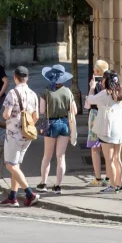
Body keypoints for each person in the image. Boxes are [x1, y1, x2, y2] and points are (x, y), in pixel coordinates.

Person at [0, 66, 40, 207]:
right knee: (16, 164)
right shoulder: (33, 94)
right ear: (27, 78)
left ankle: (30, 194)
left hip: (13, 135)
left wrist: (8, 117)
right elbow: (36, 117)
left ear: (15, 77)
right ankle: (12, 196)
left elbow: (6, 114)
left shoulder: (12, 93)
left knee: (10, 165)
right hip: (27, 135)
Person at [36, 64, 77, 193]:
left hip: (51, 125)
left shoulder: (46, 91)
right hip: (64, 125)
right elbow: (74, 111)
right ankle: (57, 186)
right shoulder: (68, 91)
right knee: (61, 156)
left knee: (47, 156)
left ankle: (43, 184)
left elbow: (42, 111)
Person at [87, 69, 122, 194]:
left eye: (103, 79)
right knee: (117, 158)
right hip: (119, 129)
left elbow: (90, 100)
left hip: (107, 131)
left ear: (106, 81)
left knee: (109, 160)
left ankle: (113, 186)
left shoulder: (105, 94)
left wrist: (92, 87)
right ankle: (119, 185)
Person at [83, 59, 110, 186]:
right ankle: (108, 178)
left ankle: (98, 178)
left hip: (95, 117)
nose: (93, 70)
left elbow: (88, 105)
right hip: (106, 117)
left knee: (95, 148)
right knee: (107, 149)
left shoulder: (96, 86)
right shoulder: (110, 86)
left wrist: (92, 88)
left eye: (94, 69)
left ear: (98, 71)